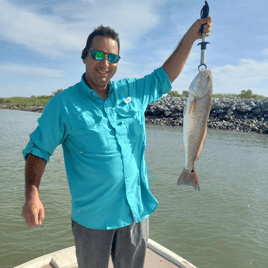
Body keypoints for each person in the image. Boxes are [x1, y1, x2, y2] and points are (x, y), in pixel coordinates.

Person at [22, 17, 212, 268]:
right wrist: (32, 194)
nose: (105, 63)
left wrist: (191, 36)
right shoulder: (63, 104)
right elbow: (38, 151)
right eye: (98, 54)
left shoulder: (132, 91)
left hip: (135, 214)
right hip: (92, 220)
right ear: (85, 56)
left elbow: (165, 76)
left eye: (112, 57)